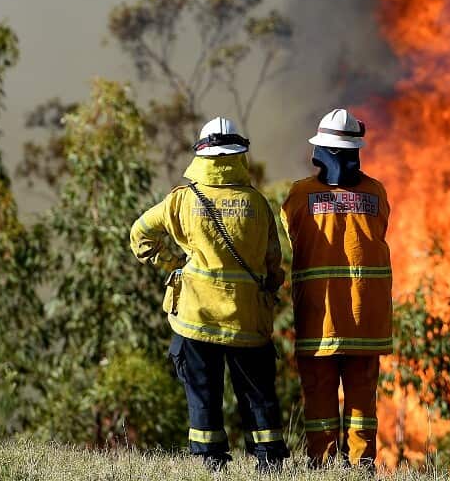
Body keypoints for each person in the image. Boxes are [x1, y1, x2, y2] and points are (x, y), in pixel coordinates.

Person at [129, 117, 289, 472]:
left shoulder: (183, 201)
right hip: (247, 321)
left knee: (202, 396)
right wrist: (268, 284)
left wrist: (172, 263)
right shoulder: (258, 204)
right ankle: (269, 465)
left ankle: (209, 466)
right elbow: (274, 263)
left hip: (196, 319)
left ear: (202, 156)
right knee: (258, 396)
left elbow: (139, 234)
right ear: (239, 156)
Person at [281, 108, 392, 468]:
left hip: (320, 321)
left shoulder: (299, 196)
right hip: (365, 323)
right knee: (362, 404)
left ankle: (323, 467)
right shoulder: (376, 192)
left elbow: (291, 236)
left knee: (320, 401)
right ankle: (362, 467)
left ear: (321, 151)